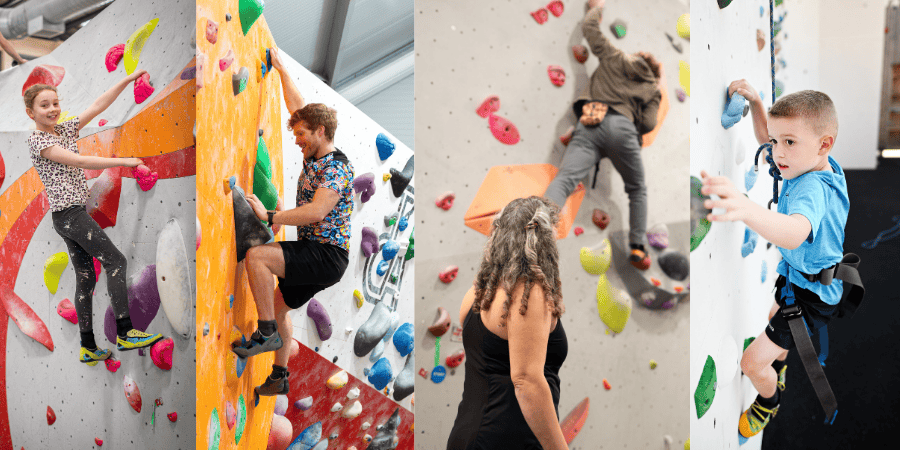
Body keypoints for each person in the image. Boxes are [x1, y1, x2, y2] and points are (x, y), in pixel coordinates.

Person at [702, 81, 848, 438]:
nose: (776, 153)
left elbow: (795, 231)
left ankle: (769, 400)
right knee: (772, 316)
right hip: (800, 279)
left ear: (824, 144)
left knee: (751, 364)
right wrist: (755, 104)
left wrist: (745, 208)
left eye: (789, 143)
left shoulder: (814, 188)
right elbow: (769, 136)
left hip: (812, 296)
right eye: (776, 141)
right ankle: (778, 363)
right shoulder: (811, 159)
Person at [232, 47, 355, 397]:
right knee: (279, 307)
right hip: (319, 254)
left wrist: (270, 216)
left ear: (320, 132)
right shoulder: (317, 153)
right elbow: (297, 106)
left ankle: (267, 332)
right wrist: (283, 70)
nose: (297, 140)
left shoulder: (337, 168)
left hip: (326, 254)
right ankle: (279, 376)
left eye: (302, 134)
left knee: (257, 258)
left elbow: (317, 212)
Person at [25, 72, 165, 366]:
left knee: (86, 278)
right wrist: (125, 162)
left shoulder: (62, 130)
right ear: (31, 113)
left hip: (69, 216)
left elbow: (98, 105)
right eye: (44, 106)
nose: (52, 109)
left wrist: (127, 80)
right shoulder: (38, 141)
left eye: (55, 103)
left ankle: (88, 346)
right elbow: (79, 161)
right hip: (69, 215)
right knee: (116, 261)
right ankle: (126, 331)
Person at [544, 0, 663, 271]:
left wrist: (597, 7)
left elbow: (589, 27)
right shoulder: (652, 87)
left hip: (593, 116)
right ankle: (637, 247)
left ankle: (539, 224)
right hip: (624, 128)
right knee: (636, 190)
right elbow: (647, 123)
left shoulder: (615, 56)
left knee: (565, 178)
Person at [447, 196, 569, 450]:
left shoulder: (479, 291)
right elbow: (527, 382)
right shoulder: (528, 294)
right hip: (507, 438)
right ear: (544, 240)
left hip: (467, 432)